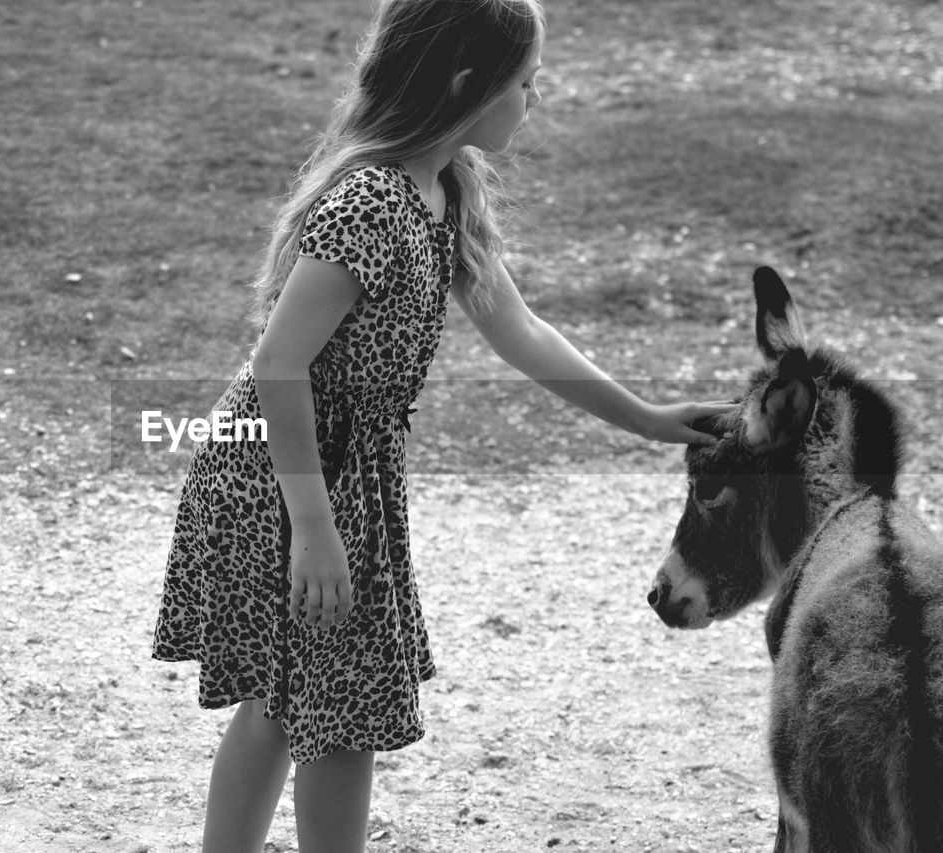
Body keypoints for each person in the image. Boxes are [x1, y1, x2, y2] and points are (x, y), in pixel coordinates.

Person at [153, 1, 734, 850]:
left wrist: (647, 419)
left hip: (326, 468)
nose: (537, 97)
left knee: (289, 692)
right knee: (340, 708)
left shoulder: (447, 185)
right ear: (467, 84)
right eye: (526, 82)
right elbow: (280, 365)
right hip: (286, 471)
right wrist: (314, 528)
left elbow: (522, 332)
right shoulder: (372, 204)